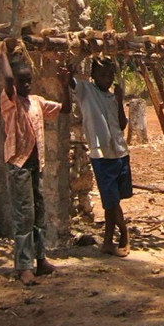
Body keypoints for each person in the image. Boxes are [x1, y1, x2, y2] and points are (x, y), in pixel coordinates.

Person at [0, 46, 62, 286]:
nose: (26, 85)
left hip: (36, 165)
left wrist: (65, 84)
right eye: (21, 81)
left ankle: (41, 259)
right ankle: (24, 266)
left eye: (29, 81)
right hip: (20, 165)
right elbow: (7, 79)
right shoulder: (10, 102)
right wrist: (2, 53)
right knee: (23, 216)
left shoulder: (36, 102)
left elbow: (63, 109)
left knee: (39, 213)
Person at [62, 57, 132, 257]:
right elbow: (72, 82)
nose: (107, 78)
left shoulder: (112, 97)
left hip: (120, 152)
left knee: (113, 200)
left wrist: (119, 100)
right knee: (111, 200)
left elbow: (122, 124)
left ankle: (111, 240)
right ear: (93, 75)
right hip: (101, 155)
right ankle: (122, 234)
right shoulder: (87, 91)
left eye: (110, 75)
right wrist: (67, 73)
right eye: (102, 74)